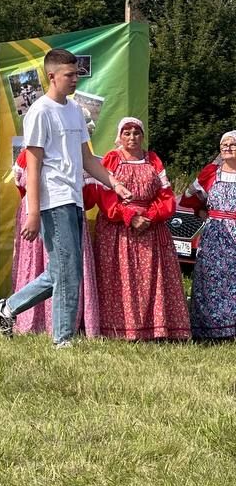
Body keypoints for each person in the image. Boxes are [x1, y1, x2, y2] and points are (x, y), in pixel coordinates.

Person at [0, 48, 132, 347]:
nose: (75, 79)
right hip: (53, 199)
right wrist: (33, 211)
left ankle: (7, 308)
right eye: (69, 75)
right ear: (51, 76)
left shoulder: (75, 110)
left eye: (77, 74)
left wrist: (113, 182)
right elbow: (33, 163)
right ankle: (62, 340)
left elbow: (86, 158)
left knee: (61, 271)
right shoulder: (39, 111)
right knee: (68, 273)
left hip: (73, 197)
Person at [91, 117, 190, 340]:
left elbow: (166, 197)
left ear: (143, 136)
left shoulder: (153, 159)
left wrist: (150, 215)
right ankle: (119, 328)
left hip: (150, 226)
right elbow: (104, 195)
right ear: (120, 136)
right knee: (120, 279)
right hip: (118, 228)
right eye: (127, 133)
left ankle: (156, 328)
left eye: (136, 133)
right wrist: (129, 216)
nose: (132, 138)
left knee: (152, 279)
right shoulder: (112, 159)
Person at [8, 149, 102, 337]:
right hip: (36, 214)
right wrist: (33, 210)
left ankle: (14, 308)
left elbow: (90, 196)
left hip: (68, 210)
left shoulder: (74, 149)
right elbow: (21, 185)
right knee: (46, 268)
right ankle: (33, 322)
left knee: (64, 269)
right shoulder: (28, 152)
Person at [181, 130, 236, 341]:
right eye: (224, 144)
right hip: (214, 235)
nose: (228, 148)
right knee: (210, 280)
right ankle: (209, 330)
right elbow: (189, 198)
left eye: (232, 144)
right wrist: (203, 211)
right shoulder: (212, 173)